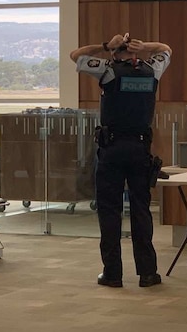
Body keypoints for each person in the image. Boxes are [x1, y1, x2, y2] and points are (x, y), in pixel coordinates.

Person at [70, 32, 172, 288]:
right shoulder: (152, 70)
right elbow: (166, 48)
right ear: (136, 53)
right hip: (140, 149)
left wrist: (106, 45)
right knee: (141, 210)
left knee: (109, 211)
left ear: (116, 53)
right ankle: (148, 273)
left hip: (112, 148)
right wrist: (145, 46)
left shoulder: (107, 70)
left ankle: (112, 273)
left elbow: (76, 55)